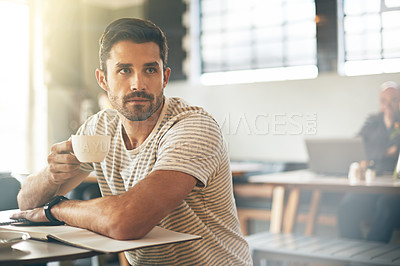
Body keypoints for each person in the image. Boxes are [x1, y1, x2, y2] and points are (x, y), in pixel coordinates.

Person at [14, 18, 252, 265]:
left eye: (150, 70)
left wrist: (55, 210)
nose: (138, 84)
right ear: (103, 79)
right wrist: (51, 176)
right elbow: (26, 203)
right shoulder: (99, 127)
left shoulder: (193, 126)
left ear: (165, 77)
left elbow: (126, 221)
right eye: (124, 70)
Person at [337, 81, 400, 243]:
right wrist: (386, 152)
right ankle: (354, 253)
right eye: (383, 100)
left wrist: (379, 152)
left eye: (393, 100)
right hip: (372, 182)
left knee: (387, 206)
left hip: (395, 189)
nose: (388, 104)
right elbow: (358, 147)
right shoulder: (372, 123)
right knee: (346, 207)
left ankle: (368, 257)